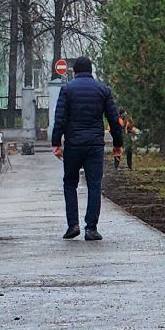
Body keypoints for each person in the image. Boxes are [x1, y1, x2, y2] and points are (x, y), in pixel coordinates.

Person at [49, 57, 124, 241]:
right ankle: (91, 228)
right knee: (94, 185)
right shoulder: (103, 90)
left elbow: (60, 119)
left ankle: (72, 225)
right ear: (91, 71)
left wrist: (56, 143)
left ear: (75, 71)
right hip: (95, 145)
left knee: (70, 183)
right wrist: (117, 144)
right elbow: (114, 120)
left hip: (74, 144)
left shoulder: (67, 90)